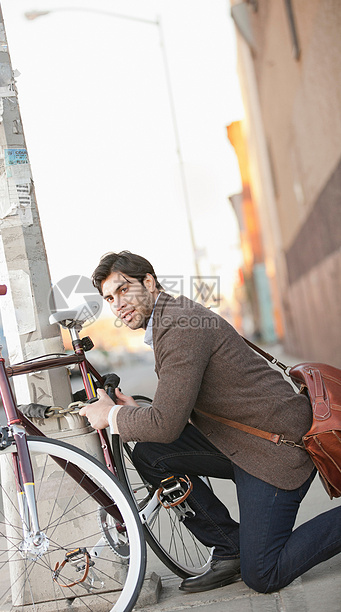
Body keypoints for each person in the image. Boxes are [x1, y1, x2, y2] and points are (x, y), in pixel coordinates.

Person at [79, 250, 341, 594]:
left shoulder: (178, 326)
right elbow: (180, 401)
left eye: (124, 290)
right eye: (109, 298)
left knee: (263, 573)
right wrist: (131, 410)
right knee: (151, 453)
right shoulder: (172, 317)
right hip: (239, 438)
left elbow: (166, 424)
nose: (118, 304)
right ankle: (229, 548)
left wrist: (110, 414)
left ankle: (245, 556)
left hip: (275, 448)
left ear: (149, 281)